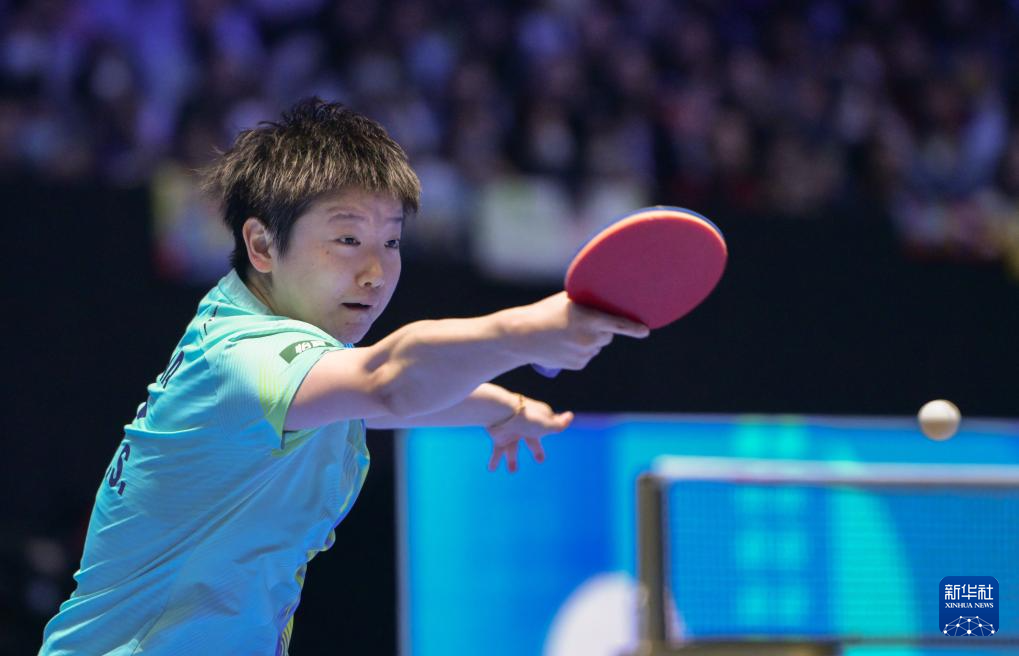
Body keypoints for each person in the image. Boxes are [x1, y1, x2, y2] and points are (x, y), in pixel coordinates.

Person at [38, 98, 648, 655]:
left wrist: (500, 408)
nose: (375, 272)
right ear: (262, 245)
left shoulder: (274, 352)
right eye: (348, 238)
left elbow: (381, 399)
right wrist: (526, 330)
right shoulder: (241, 358)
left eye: (392, 242)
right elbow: (388, 380)